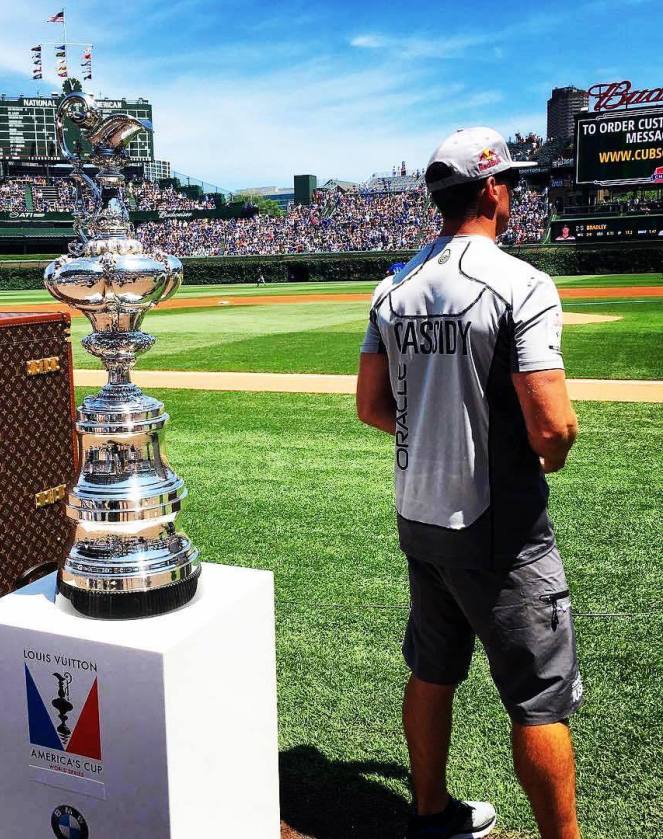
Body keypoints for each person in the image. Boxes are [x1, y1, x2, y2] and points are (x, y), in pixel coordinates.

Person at [356, 127, 582, 839]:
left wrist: (434, 439)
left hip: (418, 513)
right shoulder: (521, 282)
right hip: (498, 524)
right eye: (510, 181)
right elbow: (552, 427)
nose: (513, 193)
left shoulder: (391, 287)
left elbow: (371, 406)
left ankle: (430, 814)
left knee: (433, 668)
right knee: (540, 700)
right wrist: (547, 455)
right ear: (489, 188)